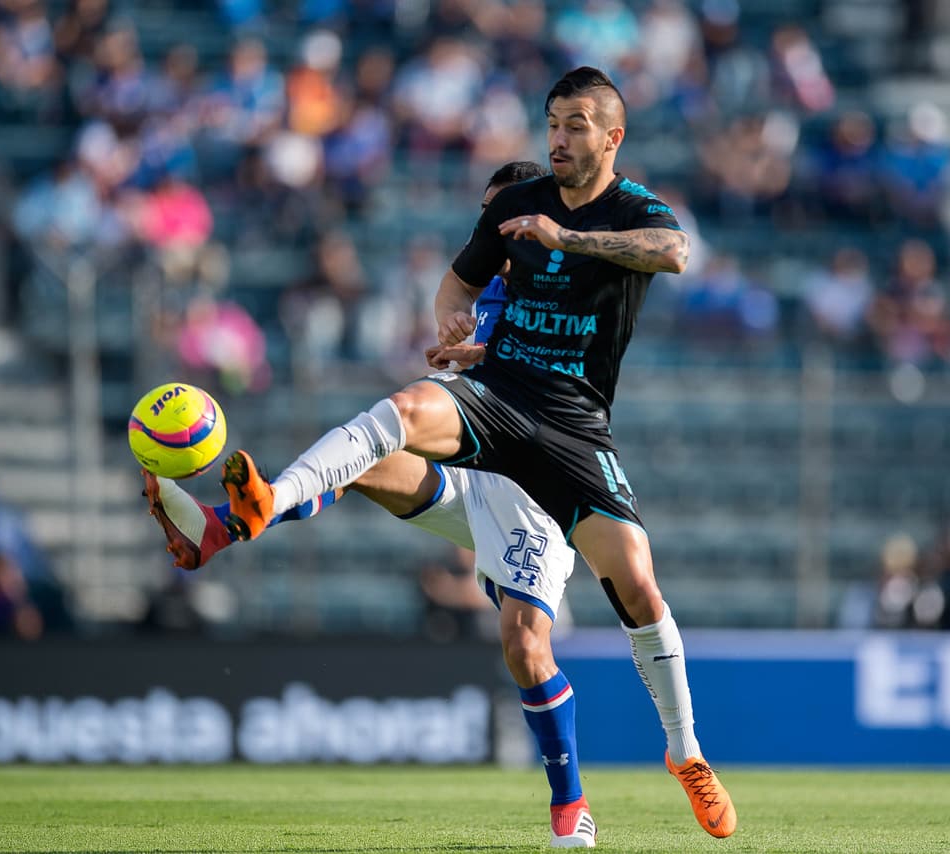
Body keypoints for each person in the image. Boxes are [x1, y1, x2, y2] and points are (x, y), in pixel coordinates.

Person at [213, 67, 735, 839]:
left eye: (578, 124)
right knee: (402, 409)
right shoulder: (516, 204)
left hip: (575, 426)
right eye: (554, 122)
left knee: (637, 587)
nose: (560, 136)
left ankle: (685, 754)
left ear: (612, 136)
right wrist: (456, 324)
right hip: (497, 396)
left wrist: (570, 239)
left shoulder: (634, 209)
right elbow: (455, 286)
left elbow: (674, 252)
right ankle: (267, 502)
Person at [146, 160, 601, 848]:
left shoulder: (569, 278)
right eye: (485, 213)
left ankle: (570, 806)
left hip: (533, 487)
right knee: (365, 460)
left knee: (525, 647)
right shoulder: (482, 283)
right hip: (475, 469)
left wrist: (480, 355)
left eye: (501, 212)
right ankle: (225, 525)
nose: (490, 226)